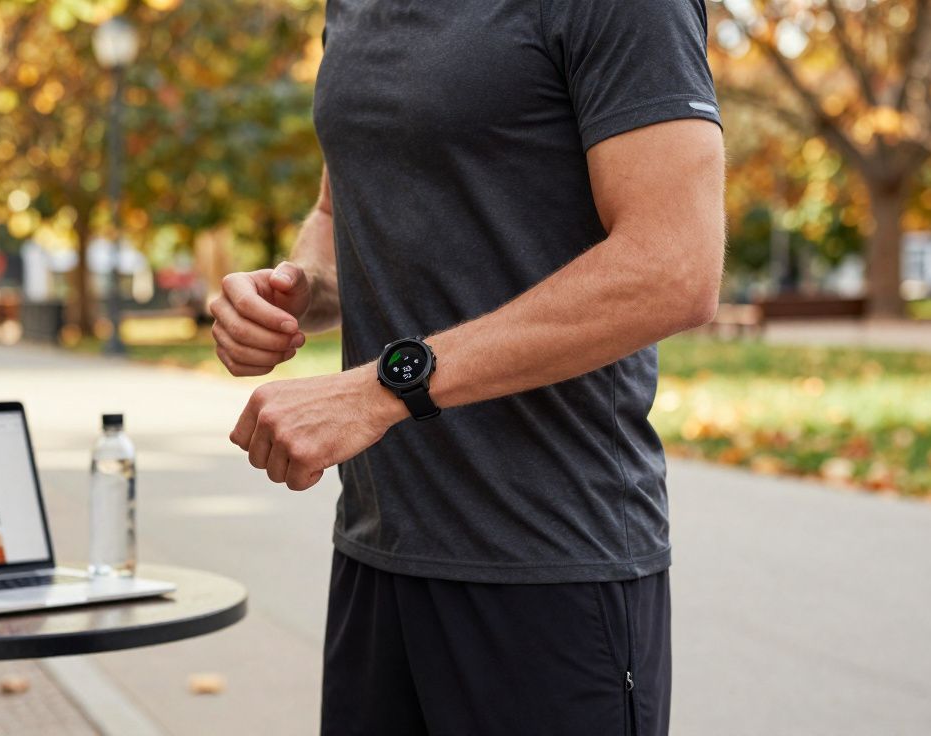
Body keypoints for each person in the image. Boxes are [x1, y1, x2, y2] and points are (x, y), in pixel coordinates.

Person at [210, 2, 725, 734]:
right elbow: (335, 211)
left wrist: (386, 387)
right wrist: (298, 289)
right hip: (376, 552)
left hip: (550, 566)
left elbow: (674, 268)